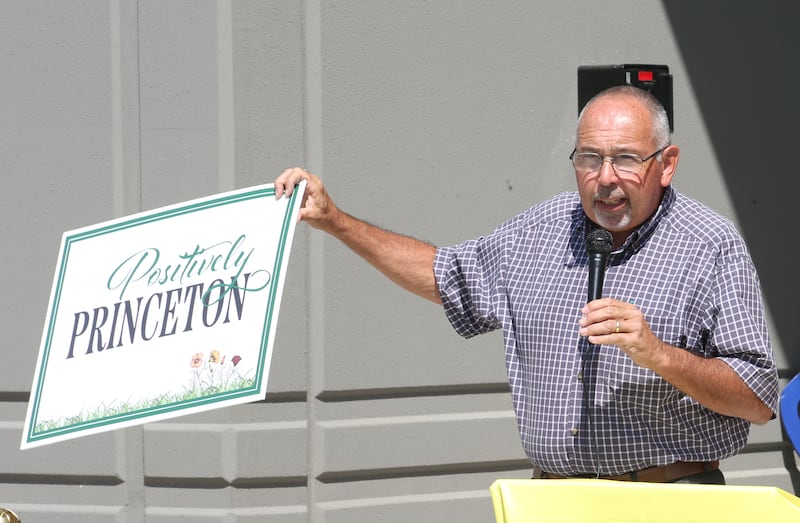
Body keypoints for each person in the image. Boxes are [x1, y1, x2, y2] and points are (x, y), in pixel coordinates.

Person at [274, 85, 778, 484]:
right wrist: (335, 220)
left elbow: (756, 401)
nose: (604, 178)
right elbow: (443, 275)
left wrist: (658, 354)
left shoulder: (709, 243)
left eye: (626, 159)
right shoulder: (539, 231)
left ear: (665, 165)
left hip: (667, 497)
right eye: (589, 158)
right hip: (554, 495)